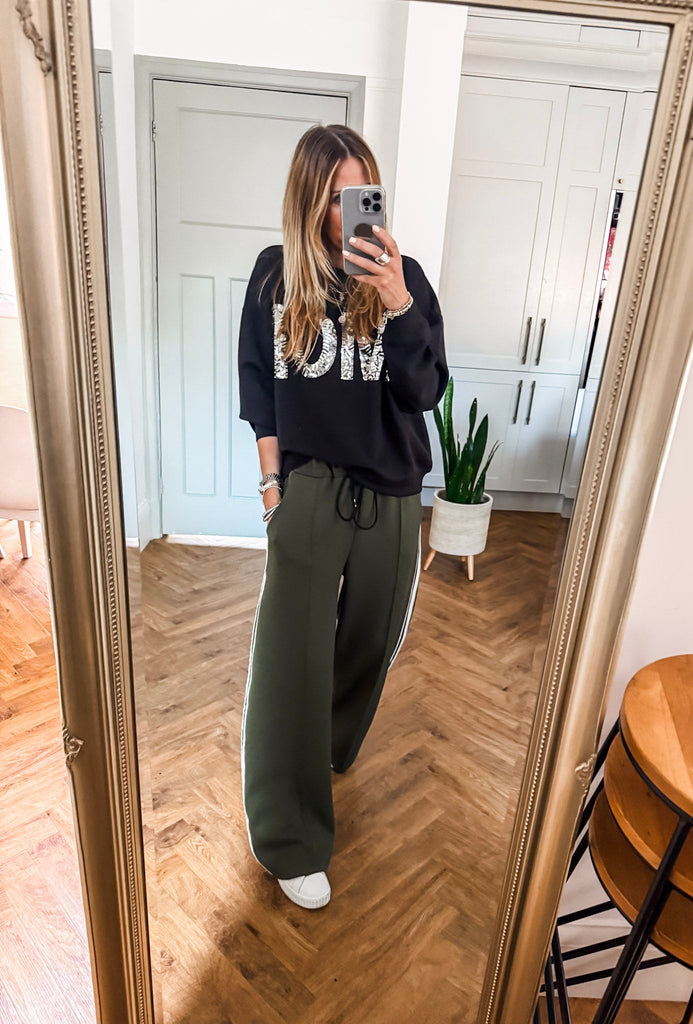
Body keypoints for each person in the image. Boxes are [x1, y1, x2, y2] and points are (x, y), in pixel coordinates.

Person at [237, 124, 448, 910]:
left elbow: (426, 392)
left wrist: (397, 304)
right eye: (332, 197)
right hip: (310, 490)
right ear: (308, 199)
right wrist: (272, 491)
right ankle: (288, 835)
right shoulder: (274, 276)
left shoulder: (404, 277)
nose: (345, 212)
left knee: (369, 646)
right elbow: (260, 389)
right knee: (289, 661)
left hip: (391, 492)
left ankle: (325, 746)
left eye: (360, 193)